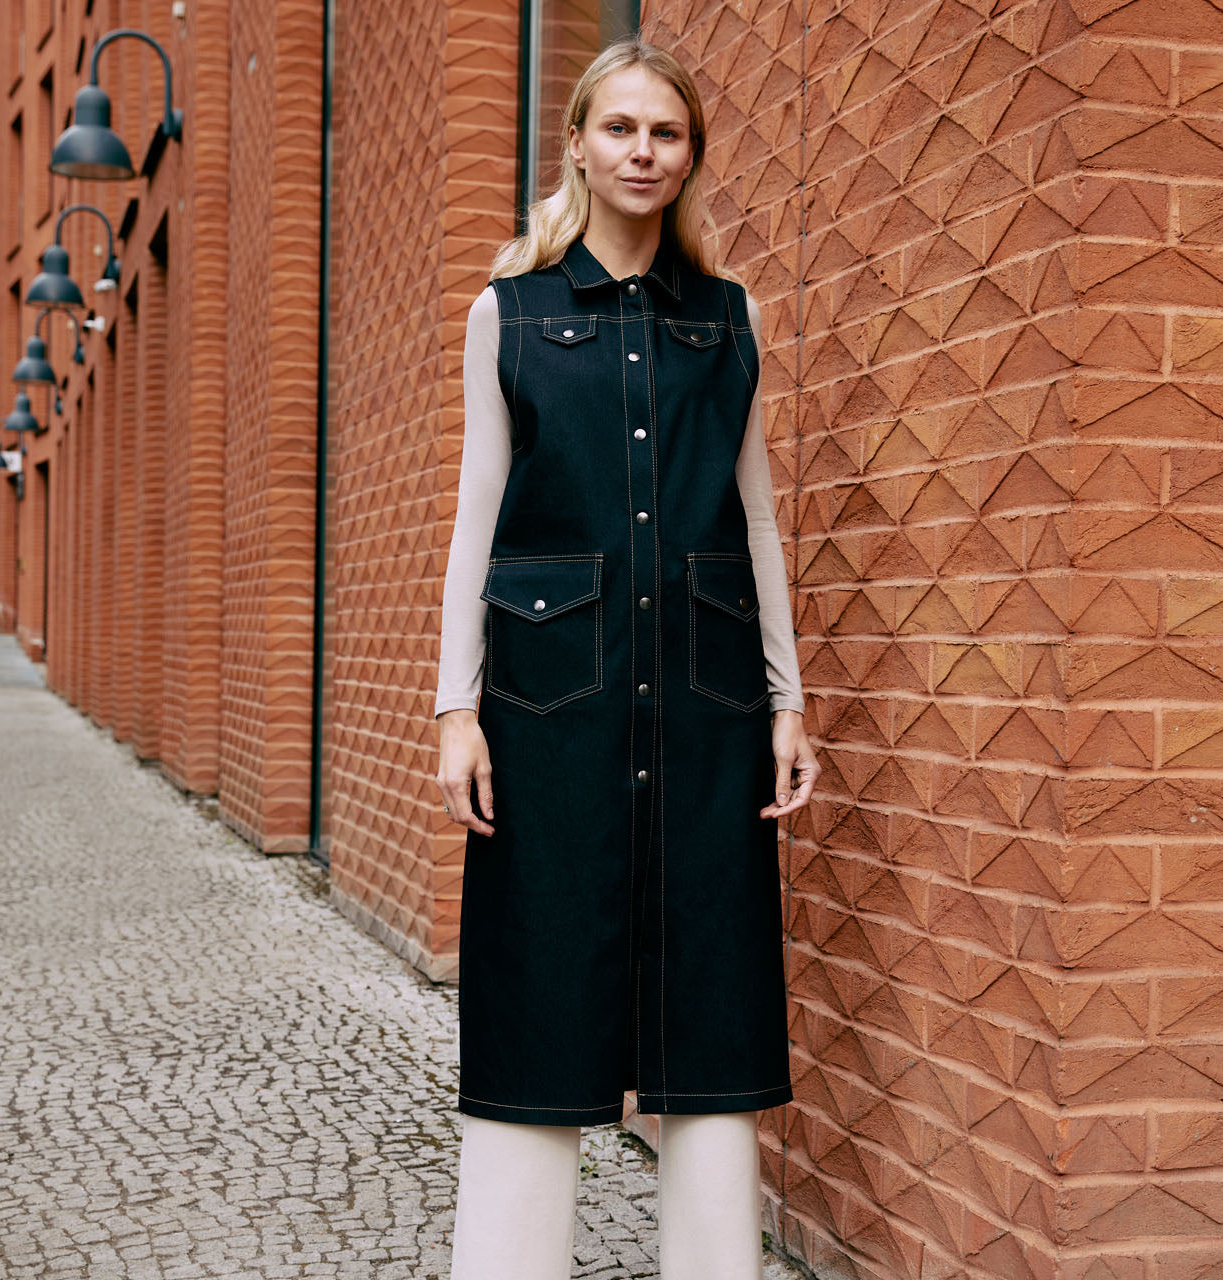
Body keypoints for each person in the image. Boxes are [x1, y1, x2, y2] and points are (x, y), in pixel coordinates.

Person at [434, 33, 821, 1280]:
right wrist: (455, 709)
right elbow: (476, 516)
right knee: (538, 983)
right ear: (578, 145)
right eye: (619, 128)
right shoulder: (508, 312)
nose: (642, 152)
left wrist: (785, 699)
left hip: (708, 710)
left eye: (665, 132)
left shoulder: (728, 317)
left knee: (711, 999)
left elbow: (755, 517)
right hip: (547, 707)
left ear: (690, 154)